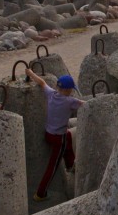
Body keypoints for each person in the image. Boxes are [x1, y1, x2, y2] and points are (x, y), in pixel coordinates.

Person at [26, 68, 84, 202]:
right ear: (69, 90)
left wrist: (30, 73)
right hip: (59, 138)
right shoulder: (70, 102)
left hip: (48, 134)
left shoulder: (51, 93)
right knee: (53, 166)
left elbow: (41, 82)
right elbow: (85, 105)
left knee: (69, 135)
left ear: (57, 86)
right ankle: (41, 193)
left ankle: (70, 164)